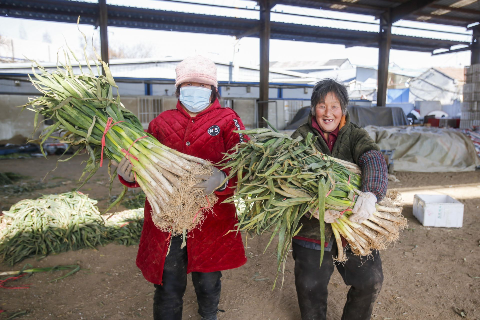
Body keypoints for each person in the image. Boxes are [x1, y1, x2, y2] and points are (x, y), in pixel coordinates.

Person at [114, 55, 248, 320]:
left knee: (208, 281)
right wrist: (129, 176)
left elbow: (246, 161)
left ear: (213, 90)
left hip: (211, 218)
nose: (195, 90)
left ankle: (208, 315)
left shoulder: (228, 120)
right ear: (178, 89)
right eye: (188, 85)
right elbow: (144, 168)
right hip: (167, 218)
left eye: (202, 85)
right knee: (168, 283)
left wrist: (222, 178)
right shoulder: (161, 123)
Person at [291, 79, 388, 320]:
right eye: (322, 106)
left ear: (343, 109)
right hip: (312, 228)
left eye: (335, 106)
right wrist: (311, 206)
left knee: (370, 281)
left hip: (353, 224)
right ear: (313, 108)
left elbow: (373, 157)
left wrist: (371, 193)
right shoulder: (301, 137)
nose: (328, 112)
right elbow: (288, 179)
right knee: (309, 286)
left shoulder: (355, 134)